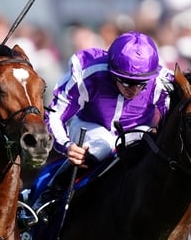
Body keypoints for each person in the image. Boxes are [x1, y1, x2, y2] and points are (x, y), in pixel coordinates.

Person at [33, 31, 174, 216]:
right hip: (88, 125)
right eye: (126, 81)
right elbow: (54, 115)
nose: (134, 90)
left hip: (136, 132)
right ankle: (49, 195)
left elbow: (172, 124)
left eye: (141, 84)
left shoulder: (162, 82)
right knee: (104, 145)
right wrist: (67, 146)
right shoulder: (88, 71)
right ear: (112, 71)